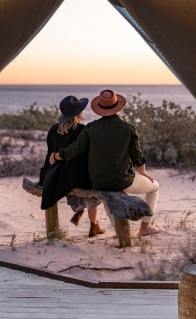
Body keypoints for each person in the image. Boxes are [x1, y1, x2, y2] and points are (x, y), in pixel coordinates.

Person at [50, 89, 161, 236]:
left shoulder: (90, 128)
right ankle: (145, 227)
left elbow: (73, 151)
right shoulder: (128, 128)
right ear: (117, 107)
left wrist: (56, 156)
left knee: (108, 191)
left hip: (98, 182)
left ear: (99, 109)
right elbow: (137, 157)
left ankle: (118, 230)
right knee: (154, 188)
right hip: (123, 180)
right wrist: (143, 173)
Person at [39, 95, 105, 237]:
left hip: (58, 175)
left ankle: (82, 211)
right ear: (77, 114)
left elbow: (50, 155)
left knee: (78, 180)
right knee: (95, 187)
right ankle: (93, 224)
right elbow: (89, 156)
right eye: (81, 109)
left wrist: (44, 176)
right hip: (77, 176)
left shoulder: (53, 130)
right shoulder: (83, 130)